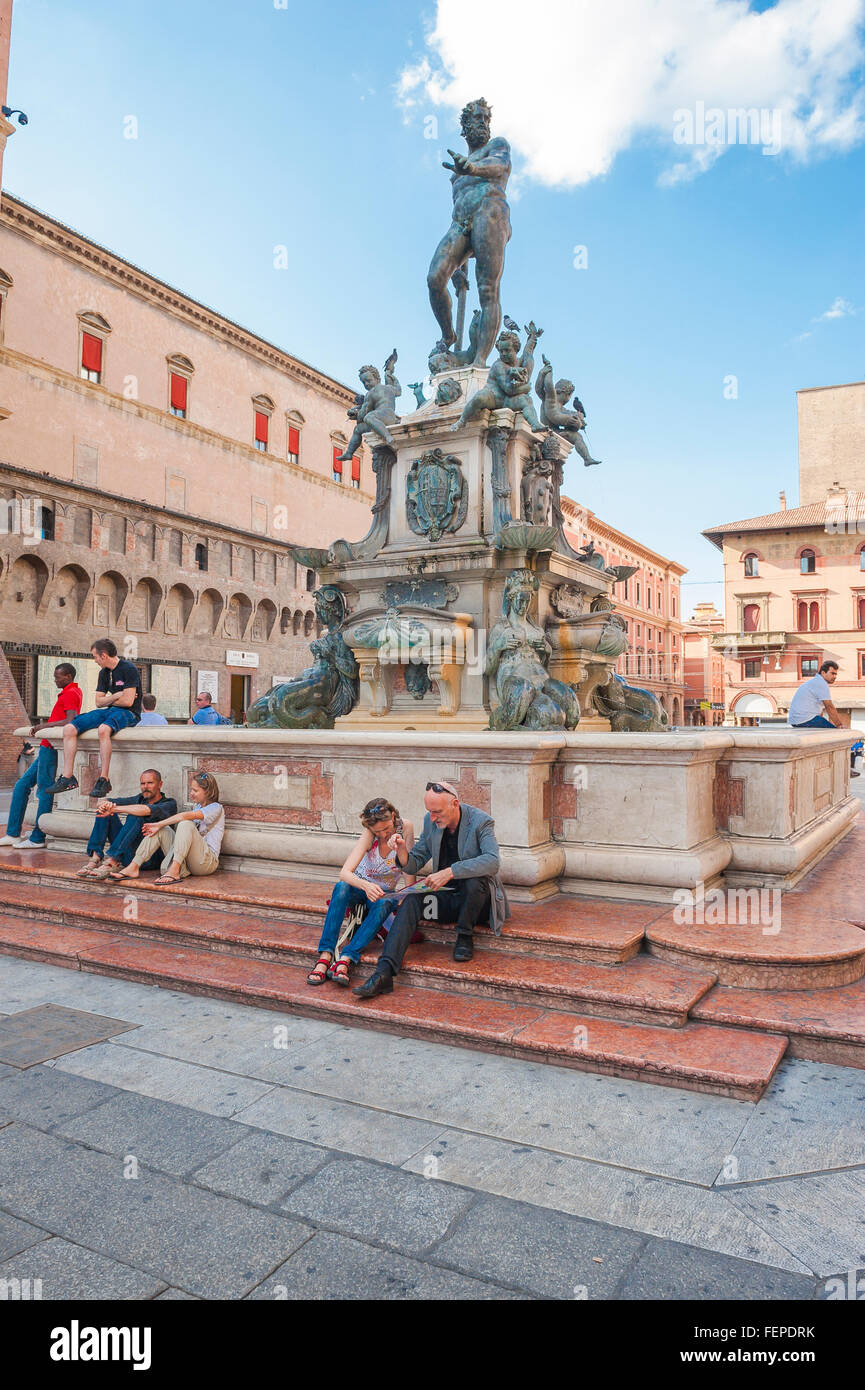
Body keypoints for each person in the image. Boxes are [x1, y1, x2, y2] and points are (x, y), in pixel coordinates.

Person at [354, 779, 510, 999]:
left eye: (437, 812)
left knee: (476, 881)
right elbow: (416, 860)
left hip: (478, 905)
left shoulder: (481, 822)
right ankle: (384, 973)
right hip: (447, 904)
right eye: (429, 811)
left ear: (454, 804)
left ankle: (465, 936)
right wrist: (401, 852)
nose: (432, 817)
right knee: (412, 899)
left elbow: (492, 862)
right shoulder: (431, 821)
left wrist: (450, 872)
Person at [307, 797, 416, 989]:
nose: (382, 834)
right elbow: (344, 873)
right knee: (341, 887)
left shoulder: (405, 827)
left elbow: (408, 867)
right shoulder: (369, 834)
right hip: (360, 887)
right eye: (377, 831)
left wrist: (407, 893)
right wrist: (365, 885)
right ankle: (325, 954)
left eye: (386, 828)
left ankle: (347, 957)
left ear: (393, 817)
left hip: (383, 893)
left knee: (385, 903)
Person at [45, 639, 141, 799]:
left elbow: (128, 702)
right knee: (69, 729)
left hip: (129, 713)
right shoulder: (104, 673)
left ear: (103, 655)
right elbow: (98, 702)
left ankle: (104, 779)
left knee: (104, 730)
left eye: (95, 656)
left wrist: (110, 699)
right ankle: (68, 777)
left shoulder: (128, 669)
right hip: (109, 710)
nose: (95, 660)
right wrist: (117, 695)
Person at [0, 663, 82, 848]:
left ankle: (37, 838)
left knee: (44, 790)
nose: (55, 679)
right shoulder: (70, 692)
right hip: (46, 746)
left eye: (58, 676)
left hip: (51, 747)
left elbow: (71, 720)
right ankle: (13, 834)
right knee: (22, 785)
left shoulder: (71, 693)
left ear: (68, 677)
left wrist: (44, 726)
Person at [110, 770, 223, 885]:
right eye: (191, 790)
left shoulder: (215, 808)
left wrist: (158, 823)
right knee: (163, 830)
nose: (191, 793)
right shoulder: (197, 806)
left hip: (206, 863)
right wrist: (159, 826)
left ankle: (174, 870)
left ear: (207, 792)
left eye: (195, 790)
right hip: (189, 862)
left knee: (184, 823)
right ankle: (133, 867)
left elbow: (184, 816)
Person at [74, 770, 178, 879]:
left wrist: (114, 808)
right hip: (128, 854)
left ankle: (113, 861)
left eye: (150, 783)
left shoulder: (169, 804)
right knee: (104, 811)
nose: (145, 787)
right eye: (142, 783)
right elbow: (103, 801)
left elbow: (145, 810)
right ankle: (95, 859)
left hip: (148, 859)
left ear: (160, 784)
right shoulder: (139, 798)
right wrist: (105, 805)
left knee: (135, 815)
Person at [787, 661, 843, 729]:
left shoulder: (815, 681)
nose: (835, 676)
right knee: (836, 733)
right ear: (823, 672)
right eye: (832, 673)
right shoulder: (821, 683)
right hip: (805, 720)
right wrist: (839, 725)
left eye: (836, 674)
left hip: (796, 721)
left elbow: (820, 710)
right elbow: (829, 706)